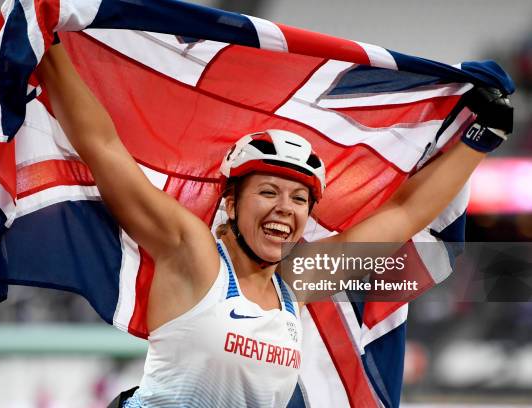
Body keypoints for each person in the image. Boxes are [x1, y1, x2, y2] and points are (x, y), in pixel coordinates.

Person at [36, 43, 512, 407]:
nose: (286, 207)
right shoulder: (192, 253)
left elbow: (403, 215)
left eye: (300, 198)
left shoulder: (297, 283)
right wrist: (46, 41)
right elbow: (102, 147)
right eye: (268, 192)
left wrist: (478, 139)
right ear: (229, 201)